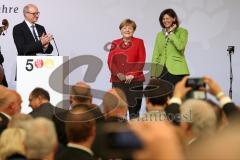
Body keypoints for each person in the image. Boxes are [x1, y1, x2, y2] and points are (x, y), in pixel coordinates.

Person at [107, 19, 146, 119]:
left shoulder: (139, 42)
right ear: (121, 30)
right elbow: (111, 62)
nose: (127, 30)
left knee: (134, 113)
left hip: (135, 82)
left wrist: (132, 74)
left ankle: (133, 133)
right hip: (118, 81)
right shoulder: (115, 43)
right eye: (124, 28)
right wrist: (119, 74)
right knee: (119, 113)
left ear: (134, 30)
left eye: (130, 28)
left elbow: (141, 60)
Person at [151, 8, 189, 85]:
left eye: (167, 18)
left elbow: (180, 46)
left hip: (178, 70)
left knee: (176, 95)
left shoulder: (182, 31)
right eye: (163, 19)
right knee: (163, 96)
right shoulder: (159, 34)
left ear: (174, 19)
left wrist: (171, 33)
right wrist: (153, 74)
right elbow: (156, 54)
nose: (165, 21)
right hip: (162, 71)